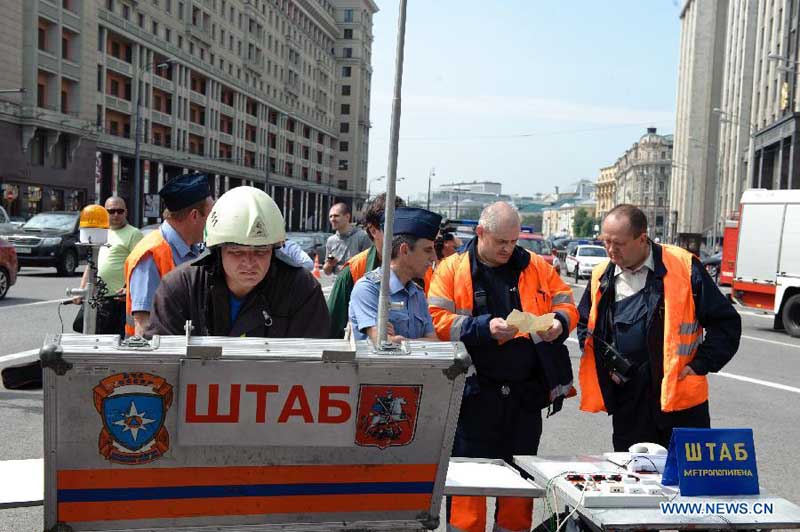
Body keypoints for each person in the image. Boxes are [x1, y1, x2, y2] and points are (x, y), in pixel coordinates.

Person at [428, 202, 578, 532]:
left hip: (524, 397)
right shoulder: (452, 269)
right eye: (501, 242)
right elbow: (436, 320)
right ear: (481, 233)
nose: (509, 249)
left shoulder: (535, 265)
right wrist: (484, 328)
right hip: (474, 395)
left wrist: (560, 323)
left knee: (519, 488)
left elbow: (566, 302)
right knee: (468, 486)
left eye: (513, 241)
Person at [577, 204, 741, 451]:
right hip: (629, 402)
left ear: (642, 239)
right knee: (634, 481)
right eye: (605, 242)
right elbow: (585, 324)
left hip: (681, 403)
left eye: (618, 244)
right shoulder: (603, 275)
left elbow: (726, 323)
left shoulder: (684, 267)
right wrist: (607, 362)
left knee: (686, 483)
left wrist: (700, 364)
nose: (610, 250)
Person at [146, 186, 329, 338]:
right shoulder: (181, 288)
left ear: (274, 251)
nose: (249, 263)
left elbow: (315, 364)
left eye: (260, 251)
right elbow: (162, 363)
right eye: (237, 251)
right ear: (218, 251)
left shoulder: (301, 289)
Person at [124, 173, 213, 337]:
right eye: (210, 215)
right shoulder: (151, 254)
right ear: (194, 215)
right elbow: (143, 325)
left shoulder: (194, 249)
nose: (213, 222)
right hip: (163, 359)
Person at [348, 207, 441, 343]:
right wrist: (418, 342)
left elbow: (434, 342)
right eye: (427, 250)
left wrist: (402, 341)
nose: (434, 257)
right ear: (404, 250)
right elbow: (384, 342)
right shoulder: (369, 289)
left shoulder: (416, 293)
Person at [327, 194, 405, 338]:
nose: (400, 235)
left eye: (404, 226)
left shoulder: (419, 269)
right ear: (373, 231)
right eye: (393, 227)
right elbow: (331, 329)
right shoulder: (352, 271)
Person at [74, 196, 143, 334]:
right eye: (111, 211)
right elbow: (91, 264)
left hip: (119, 300)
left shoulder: (134, 233)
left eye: (120, 211)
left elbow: (140, 267)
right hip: (98, 298)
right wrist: (81, 289)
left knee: (116, 342)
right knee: (91, 335)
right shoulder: (102, 233)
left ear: (126, 212)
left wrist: (129, 289)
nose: (116, 214)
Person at [323, 202, 370, 275]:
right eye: (330, 216)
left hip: (356, 283)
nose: (332, 219)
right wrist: (330, 264)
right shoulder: (331, 241)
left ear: (347, 217)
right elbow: (327, 272)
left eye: (336, 216)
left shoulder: (362, 237)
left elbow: (369, 266)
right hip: (337, 283)